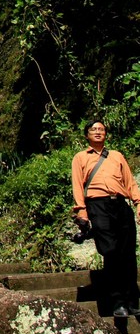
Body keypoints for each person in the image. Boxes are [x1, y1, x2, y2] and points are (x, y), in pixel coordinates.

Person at [71, 119, 140, 318]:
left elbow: (130, 182)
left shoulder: (117, 156)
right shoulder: (80, 157)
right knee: (110, 250)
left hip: (120, 204)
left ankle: (133, 301)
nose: (98, 132)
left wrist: (137, 203)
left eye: (101, 129)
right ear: (87, 135)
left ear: (106, 134)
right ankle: (117, 301)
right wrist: (81, 211)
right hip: (97, 206)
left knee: (127, 253)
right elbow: (77, 184)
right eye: (94, 129)